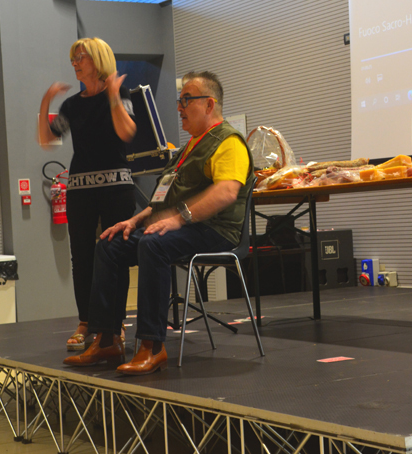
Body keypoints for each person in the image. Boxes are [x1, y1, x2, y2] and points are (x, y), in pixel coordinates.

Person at [63, 71, 255, 375]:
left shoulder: (228, 142)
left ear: (209, 104)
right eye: (179, 100)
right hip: (182, 227)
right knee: (110, 244)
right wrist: (133, 220)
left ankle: (152, 346)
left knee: (154, 245)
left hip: (215, 230)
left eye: (186, 100)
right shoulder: (190, 147)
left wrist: (180, 218)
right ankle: (107, 339)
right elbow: (162, 197)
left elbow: (226, 192)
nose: (179, 107)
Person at [38, 38, 136, 351]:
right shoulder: (72, 104)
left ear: (98, 59)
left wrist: (113, 97)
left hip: (116, 187)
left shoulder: (120, 93)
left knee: (116, 254)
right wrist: (46, 103)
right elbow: (46, 140)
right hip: (80, 189)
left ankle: (116, 324)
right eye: (73, 59)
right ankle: (85, 322)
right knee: (81, 258)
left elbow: (126, 133)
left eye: (80, 57)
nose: (75, 63)